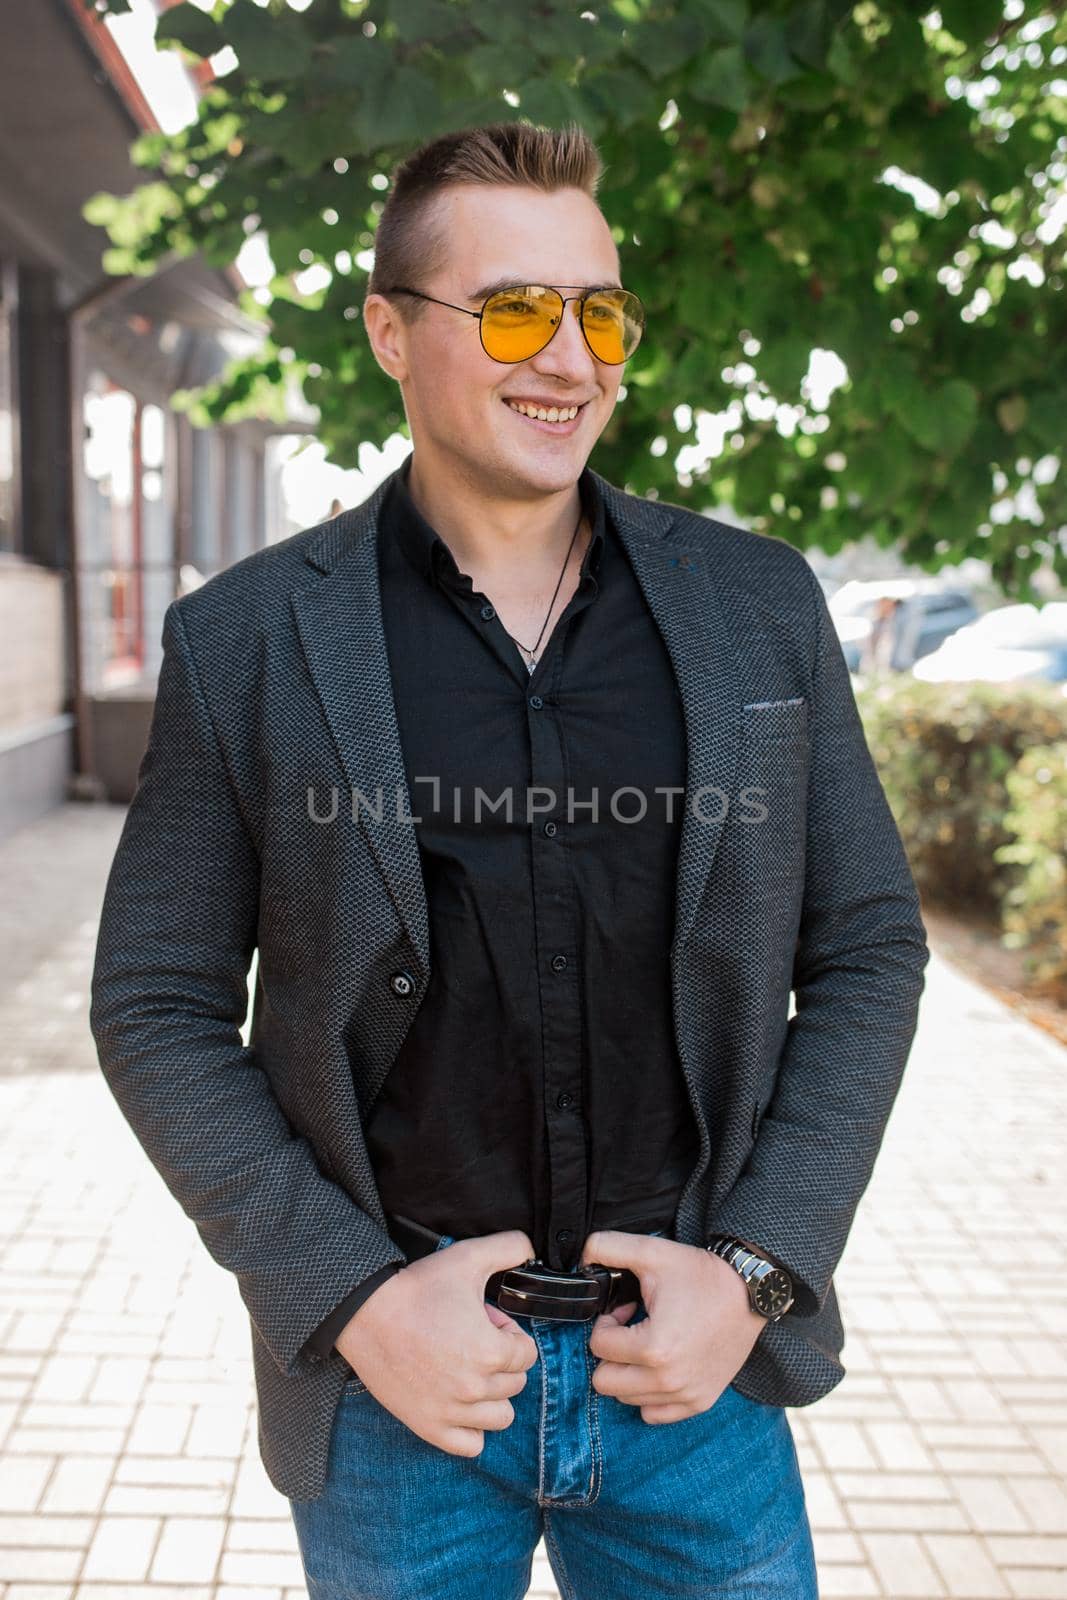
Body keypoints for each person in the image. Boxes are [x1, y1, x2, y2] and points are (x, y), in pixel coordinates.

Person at [90, 120, 930, 1598]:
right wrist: (347, 1300)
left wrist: (753, 1275)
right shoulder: (247, 642)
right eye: (517, 311)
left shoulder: (759, 608)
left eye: (599, 313)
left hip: (691, 1389)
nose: (572, 360)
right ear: (388, 334)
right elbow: (155, 1003)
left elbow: (867, 945)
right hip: (398, 1396)